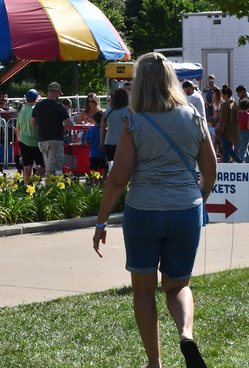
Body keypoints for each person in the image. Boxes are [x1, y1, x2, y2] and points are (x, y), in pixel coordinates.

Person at [92, 52, 216, 368]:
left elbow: (118, 178)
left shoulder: (133, 122)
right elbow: (210, 173)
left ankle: (154, 362)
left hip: (144, 211)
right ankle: (186, 335)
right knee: (178, 285)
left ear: (140, 84)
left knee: (144, 291)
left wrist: (101, 221)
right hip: (186, 210)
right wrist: (194, 198)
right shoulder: (194, 117)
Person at [31, 82, 73, 175]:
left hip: (42, 140)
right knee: (52, 169)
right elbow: (69, 124)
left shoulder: (38, 105)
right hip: (55, 140)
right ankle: (50, 188)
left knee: (48, 166)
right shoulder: (59, 106)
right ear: (57, 92)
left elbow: (33, 123)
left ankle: (31, 185)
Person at [16, 90, 43, 184]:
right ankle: (32, 182)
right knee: (44, 166)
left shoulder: (21, 111)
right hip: (34, 141)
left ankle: (26, 186)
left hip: (22, 140)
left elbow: (17, 129)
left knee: (27, 166)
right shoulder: (36, 110)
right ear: (36, 98)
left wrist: (19, 140)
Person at [100, 88, 129, 167]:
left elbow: (102, 127)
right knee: (123, 167)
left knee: (112, 167)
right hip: (123, 142)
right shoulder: (128, 110)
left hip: (109, 141)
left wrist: (101, 141)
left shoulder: (108, 110)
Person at [215, 86, 240, 163]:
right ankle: (240, 162)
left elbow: (223, 120)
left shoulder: (225, 105)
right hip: (233, 131)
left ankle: (226, 167)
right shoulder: (234, 103)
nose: (221, 96)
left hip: (226, 132)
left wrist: (219, 133)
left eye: (222, 94)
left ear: (226, 95)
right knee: (228, 149)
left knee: (226, 151)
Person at [81, 110, 107, 183]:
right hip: (103, 153)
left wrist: (92, 144)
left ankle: (94, 187)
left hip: (93, 154)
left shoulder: (90, 130)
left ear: (93, 119)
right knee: (105, 171)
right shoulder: (105, 130)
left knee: (94, 171)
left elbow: (86, 142)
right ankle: (103, 185)